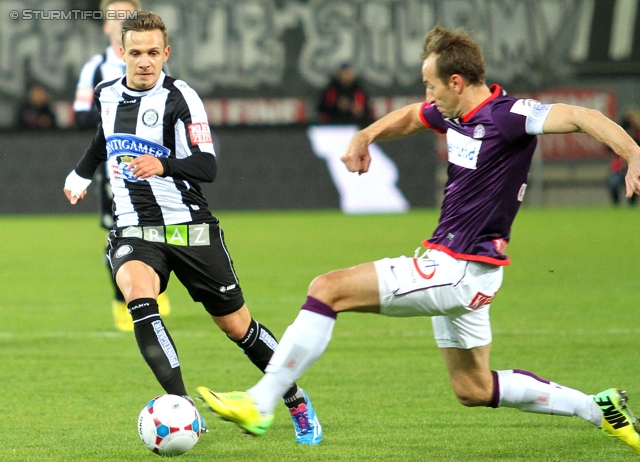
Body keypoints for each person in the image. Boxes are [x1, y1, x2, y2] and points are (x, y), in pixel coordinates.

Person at [197, 25, 640, 455]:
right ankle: (598, 408)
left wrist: (633, 152)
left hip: (459, 270)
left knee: (326, 288)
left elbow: (583, 116)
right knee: (474, 388)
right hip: (466, 272)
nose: (426, 95)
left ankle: (260, 402)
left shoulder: (509, 116)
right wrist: (366, 134)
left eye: (431, 86)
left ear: (456, 81)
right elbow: (411, 116)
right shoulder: (455, 114)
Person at [63, 11, 322, 445]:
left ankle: (295, 400)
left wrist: (162, 164)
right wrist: (81, 174)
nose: (144, 62)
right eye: (136, 53)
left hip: (189, 229)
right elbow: (103, 139)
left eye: (152, 53)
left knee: (238, 327)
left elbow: (208, 166)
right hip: (134, 229)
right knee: (139, 299)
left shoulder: (181, 98)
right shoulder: (107, 94)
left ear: (165, 53)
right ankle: (182, 407)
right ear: (121, 53)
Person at [73, 0, 171, 332]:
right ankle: (122, 300)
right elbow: (80, 113)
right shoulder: (96, 67)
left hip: (151, 160)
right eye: (115, 16)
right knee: (117, 232)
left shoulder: (152, 63)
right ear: (106, 26)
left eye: (127, 15)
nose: (121, 20)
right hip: (115, 163)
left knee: (157, 225)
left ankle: (153, 284)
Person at [607, 109, 640, 206]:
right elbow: (608, 146)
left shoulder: (637, 133)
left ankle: (632, 205)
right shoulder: (619, 133)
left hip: (634, 165)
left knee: (635, 184)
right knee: (613, 183)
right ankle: (616, 205)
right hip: (619, 168)